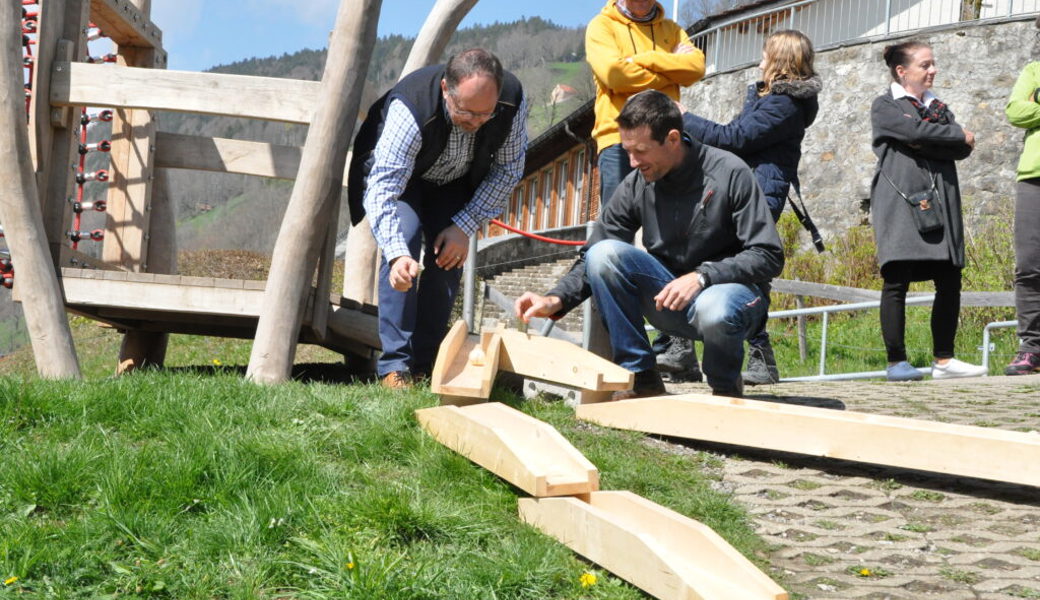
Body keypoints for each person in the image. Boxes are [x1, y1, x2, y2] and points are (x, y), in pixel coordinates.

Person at [514, 90, 784, 399]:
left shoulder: (730, 172)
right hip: (669, 300)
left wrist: (703, 276)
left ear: (672, 139)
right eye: (627, 150)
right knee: (604, 254)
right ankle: (642, 378)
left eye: (640, 151)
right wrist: (556, 299)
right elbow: (597, 250)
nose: (632, 161)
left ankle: (725, 387)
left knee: (714, 307)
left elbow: (768, 254)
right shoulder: (637, 183)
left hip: (732, 299)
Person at [347, 48, 527, 389]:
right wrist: (398, 252)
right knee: (405, 238)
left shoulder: (512, 102)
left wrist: (464, 225)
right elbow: (384, 187)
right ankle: (395, 366)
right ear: (446, 88)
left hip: (455, 181)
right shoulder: (411, 107)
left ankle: (426, 363)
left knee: (448, 257)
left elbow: (508, 169)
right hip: (404, 180)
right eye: (465, 112)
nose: (475, 123)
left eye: (484, 115)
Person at [682, 29, 821, 386]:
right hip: (753, 190)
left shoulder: (783, 104)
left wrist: (683, 116)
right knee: (743, 269)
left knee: (740, 267)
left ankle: (691, 348)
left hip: (759, 194)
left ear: (779, 61)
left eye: (765, 56)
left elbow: (734, 139)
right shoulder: (772, 99)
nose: (759, 61)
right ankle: (753, 357)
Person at [586, 0, 707, 383]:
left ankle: (677, 347)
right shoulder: (600, 26)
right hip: (617, 142)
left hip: (663, 143)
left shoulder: (671, 27)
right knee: (612, 243)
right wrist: (665, 64)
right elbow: (612, 74)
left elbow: (696, 68)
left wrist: (642, 60)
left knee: (672, 233)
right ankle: (622, 352)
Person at [869, 40, 986, 381]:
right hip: (901, 199)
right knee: (897, 280)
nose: (933, 70)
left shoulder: (939, 107)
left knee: (949, 279)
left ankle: (944, 361)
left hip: (942, 197)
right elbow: (913, 130)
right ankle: (896, 363)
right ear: (902, 71)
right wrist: (951, 136)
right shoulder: (885, 106)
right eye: (925, 65)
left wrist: (936, 139)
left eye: (933, 64)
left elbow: (962, 149)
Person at [1004, 18, 1040, 376]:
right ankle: (1031, 348)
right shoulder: (1034, 69)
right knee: (1029, 266)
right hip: (1034, 177)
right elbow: (1016, 110)